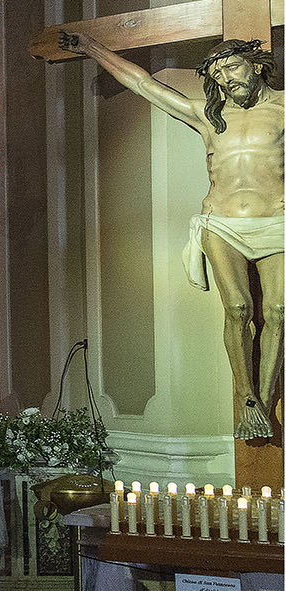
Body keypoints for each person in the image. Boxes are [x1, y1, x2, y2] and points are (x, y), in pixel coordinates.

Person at [61, 32, 282, 439]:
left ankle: (263, 406)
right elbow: (144, 84)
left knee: (278, 312)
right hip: (222, 222)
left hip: (277, 223)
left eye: (232, 68)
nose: (227, 80)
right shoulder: (208, 116)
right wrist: (92, 48)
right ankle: (246, 396)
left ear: (255, 65)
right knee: (237, 308)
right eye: (217, 75)